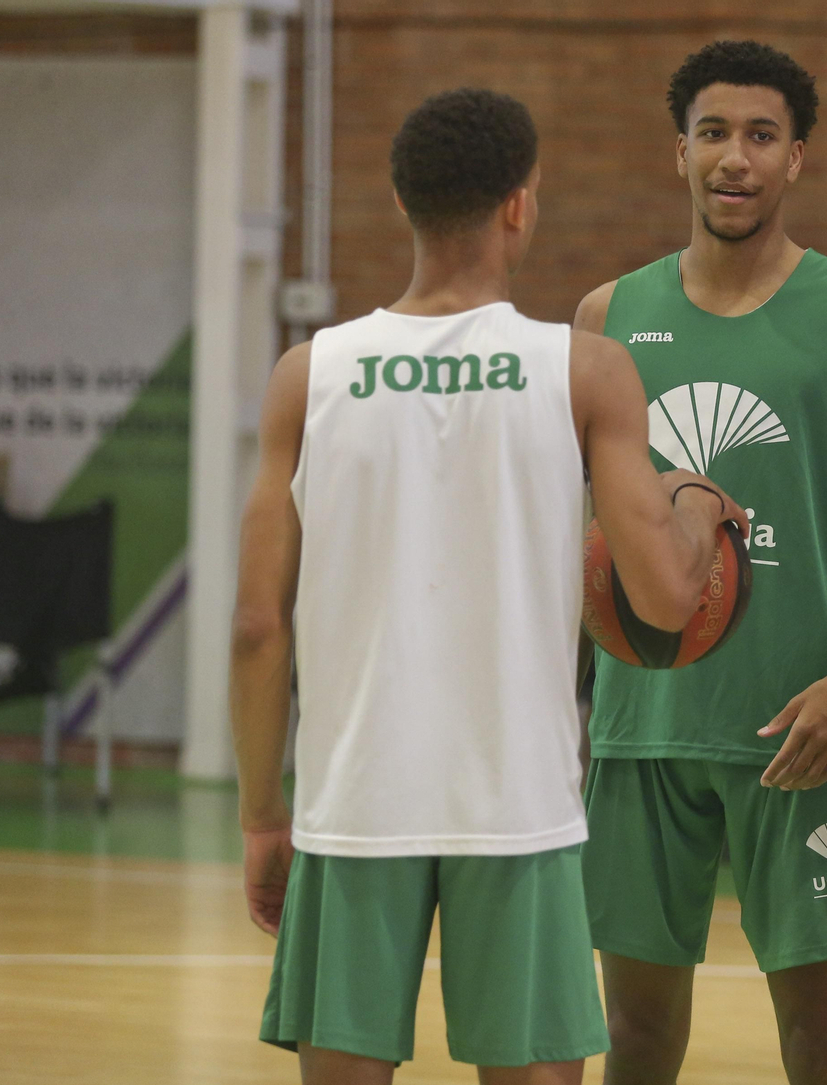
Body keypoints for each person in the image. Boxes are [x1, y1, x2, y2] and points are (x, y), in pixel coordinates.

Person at [229, 88, 746, 1085]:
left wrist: (261, 810)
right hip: (516, 801)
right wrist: (694, 508)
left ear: (400, 201)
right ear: (520, 205)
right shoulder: (585, 370)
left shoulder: (309, 373)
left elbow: (259, 624)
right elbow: (666, 597)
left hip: (354, 796)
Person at [571, 39, 827, 1085]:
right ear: (678, 153)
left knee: (821, 1038)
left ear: (797, 158)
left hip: (801, 729)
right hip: (644, 730)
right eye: (712, 133)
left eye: (760, 136)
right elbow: (584, 541)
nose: (735, 157)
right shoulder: (605, 318)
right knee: (632, 1036)